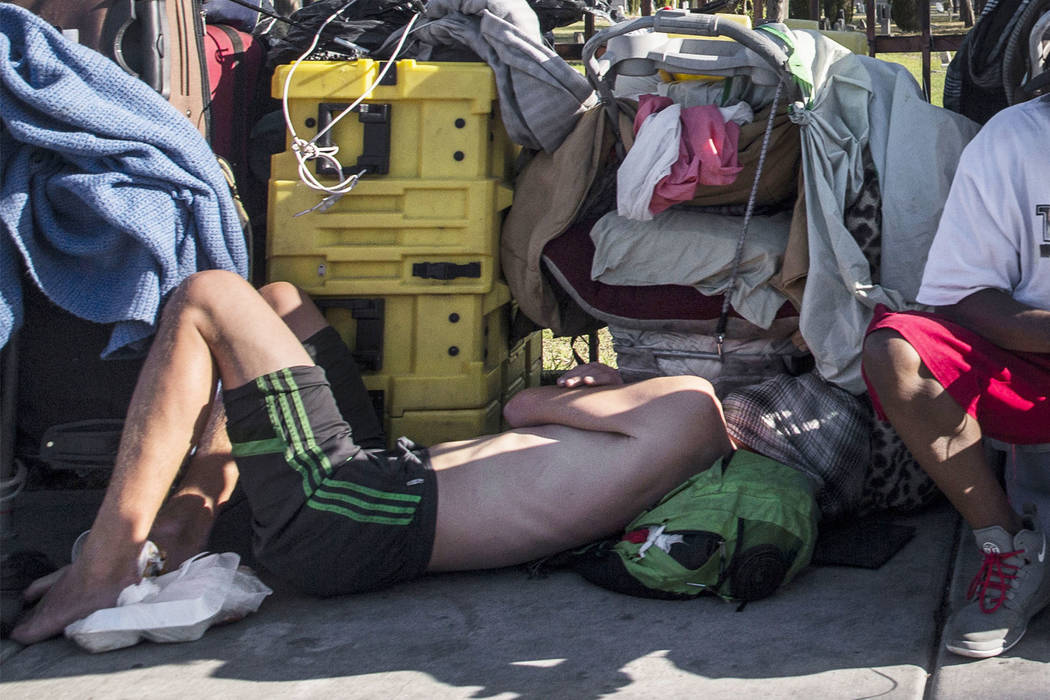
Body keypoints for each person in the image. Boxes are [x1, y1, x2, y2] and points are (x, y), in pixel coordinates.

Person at [10, 271, 734, 645]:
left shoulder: (691, 406)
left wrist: (604, 383)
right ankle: (187, 522)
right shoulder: (685, 436)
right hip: (381, 491)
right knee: (281, 303)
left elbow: (524, 406)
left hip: (356, 513)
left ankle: (104, 566)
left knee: (210, 298)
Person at [862, 93, 1050, 659]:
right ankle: (1009, 545)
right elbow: (966, 297)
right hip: (1032, 360)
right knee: (898, 352)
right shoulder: (1015, 138)